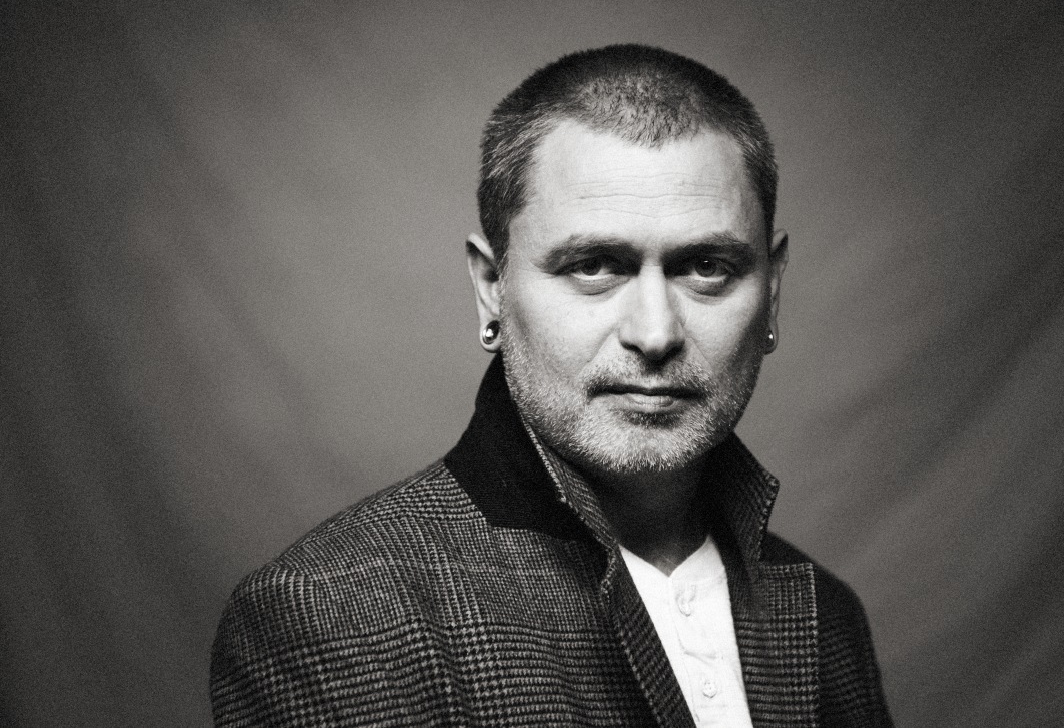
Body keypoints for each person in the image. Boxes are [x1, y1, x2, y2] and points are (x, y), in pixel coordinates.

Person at [211, 44, 892, 727]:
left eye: (706, 267)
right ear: (492, 287)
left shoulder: (827, 617)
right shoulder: (334, 614)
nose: (655, 333)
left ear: (771, 291)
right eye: (594, 266)